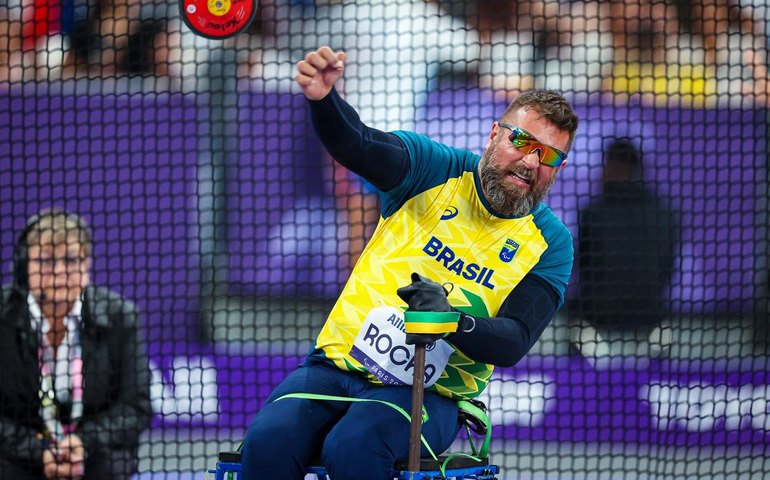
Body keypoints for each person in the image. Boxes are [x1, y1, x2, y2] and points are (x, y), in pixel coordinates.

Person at [239, 46, 578, 480]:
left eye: (549, 156)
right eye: (522, 142)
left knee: (353, 445)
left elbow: (514, 340)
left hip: (432, 396)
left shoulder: (551, 242)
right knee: (268, 442)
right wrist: (324, 100)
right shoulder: (433, 169)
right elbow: (358, 145)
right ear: (495, 134)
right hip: (334, 367)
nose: (531, 162)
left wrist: (449, 320)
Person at [0, 208, 152, 480]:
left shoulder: (120, 317)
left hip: (92, 455)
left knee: (114, 464)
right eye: (46, 261)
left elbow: (135, 407)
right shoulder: (3, 316)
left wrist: (84, 443)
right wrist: (38, 450)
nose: (60, 272)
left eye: (71, 260)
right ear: (25, 267)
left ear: (86, 265)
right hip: (17, 455)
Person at [574, 138, 678, 357]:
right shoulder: (663, 212)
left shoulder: (595, 212)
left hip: (598, 318)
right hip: (651, 318)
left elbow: (585, 267)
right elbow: (667, 266)